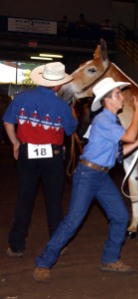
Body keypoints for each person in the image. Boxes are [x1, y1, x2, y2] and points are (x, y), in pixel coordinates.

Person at [33, 77, 138, 283]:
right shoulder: (104, 120)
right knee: (73, 220)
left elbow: (121, 150)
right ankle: (43, 262)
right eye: (118, 94)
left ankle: (110, 258)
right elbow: (128, 136)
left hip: (99, 175)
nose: (122, 97)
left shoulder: (109, 121)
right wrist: (137, 112)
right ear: (108, 100)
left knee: (120, 216)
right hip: (89, 175)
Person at [3, 62, 78, 258]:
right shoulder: (62, 106)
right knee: (54, 201)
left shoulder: (21, 98)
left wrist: (15, 143)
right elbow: (70, 130)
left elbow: (8, 121)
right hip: (52, 157)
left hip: (27, 153)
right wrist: (72, 114)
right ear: (57, 85)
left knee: (24, 199)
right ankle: (58, 243)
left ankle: (17, 244)